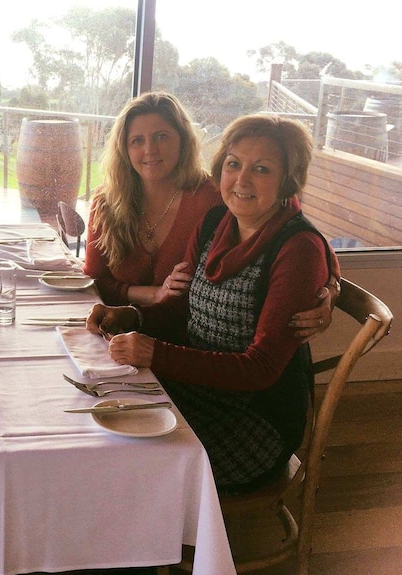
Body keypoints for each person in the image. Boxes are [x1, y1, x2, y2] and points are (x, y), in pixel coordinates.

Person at [87, 114, 335, 494]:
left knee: (123, 462)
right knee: (95, 417)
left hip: (252, 420)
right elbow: (178, 310)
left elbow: (260, 369)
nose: (242, 180)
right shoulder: (216, 221)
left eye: (262, 169)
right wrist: (130, 316)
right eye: (234, 164)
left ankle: (159, 547)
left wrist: (155, 353)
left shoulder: (297, 249)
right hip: (193, 387)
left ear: (288, 180)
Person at [83, 91, 336, 339]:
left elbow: (294, 226)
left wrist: (332, 288)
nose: (150, 150)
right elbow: (94, 280)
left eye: (161, 136)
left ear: (183, 140)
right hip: (122, 330)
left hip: (187, 343)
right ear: (123, 149)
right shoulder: (106, 202)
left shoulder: (218, 195)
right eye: (137, 140)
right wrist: (152, 294)